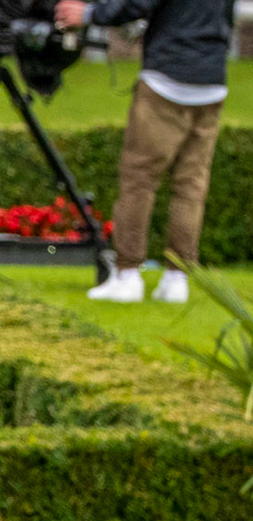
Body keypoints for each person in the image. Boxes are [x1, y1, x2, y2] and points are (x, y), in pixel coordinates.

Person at [56, 0, 233, 304]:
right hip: (211, 80)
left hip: (167, 77)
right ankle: (177, 278)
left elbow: (136, 3)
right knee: (191, 184)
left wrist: (89, 14)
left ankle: (128, 275)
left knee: (139, 178)